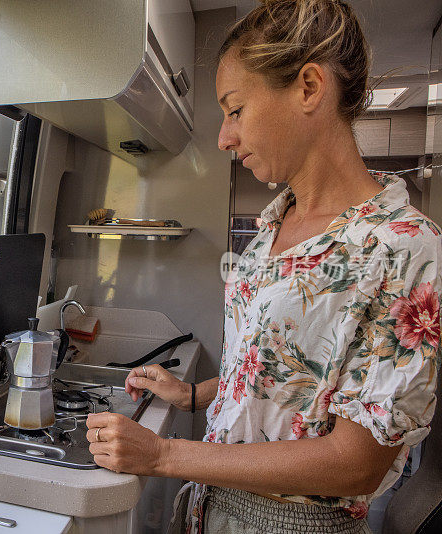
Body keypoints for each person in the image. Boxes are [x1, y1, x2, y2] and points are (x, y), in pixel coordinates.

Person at [85, 0, 442, 532]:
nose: (224, 137)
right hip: (213, 510)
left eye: (234, 109)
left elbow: (354, 463)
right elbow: (279, 380)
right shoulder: (271, 228)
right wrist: (191, 394)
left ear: (308, 87)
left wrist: (162, 455)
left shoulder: (405, 247)